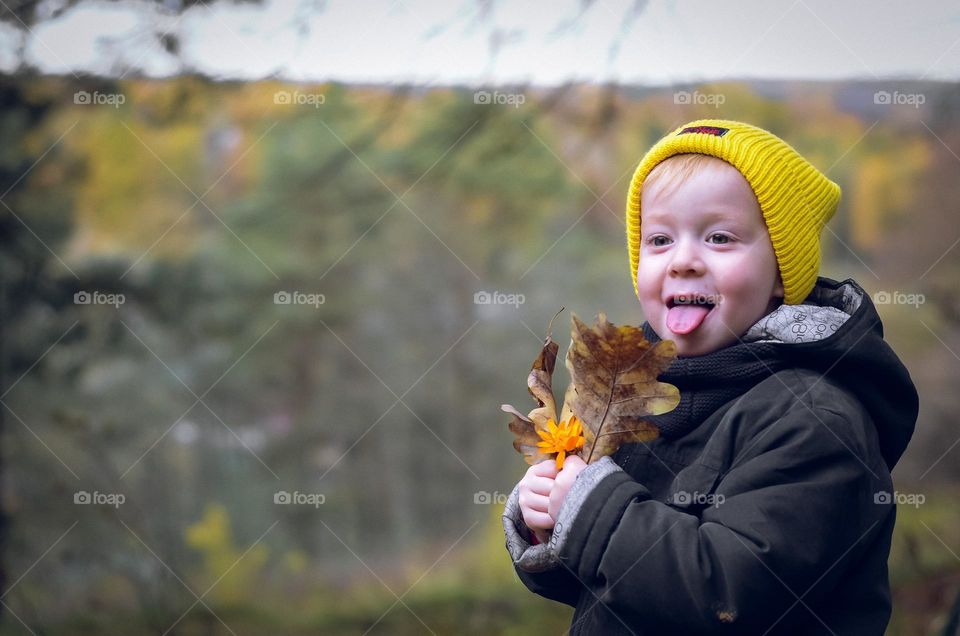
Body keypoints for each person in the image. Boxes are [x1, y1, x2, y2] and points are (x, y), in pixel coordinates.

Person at [502, 119, 919, 634]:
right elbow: (614, 585)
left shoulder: (816, 420)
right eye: (659, 239)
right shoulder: (633, 392)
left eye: (719, 237)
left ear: (781, 274)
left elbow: (728, 594)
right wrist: (552, 522)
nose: (682, 261)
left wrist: (593, 513)